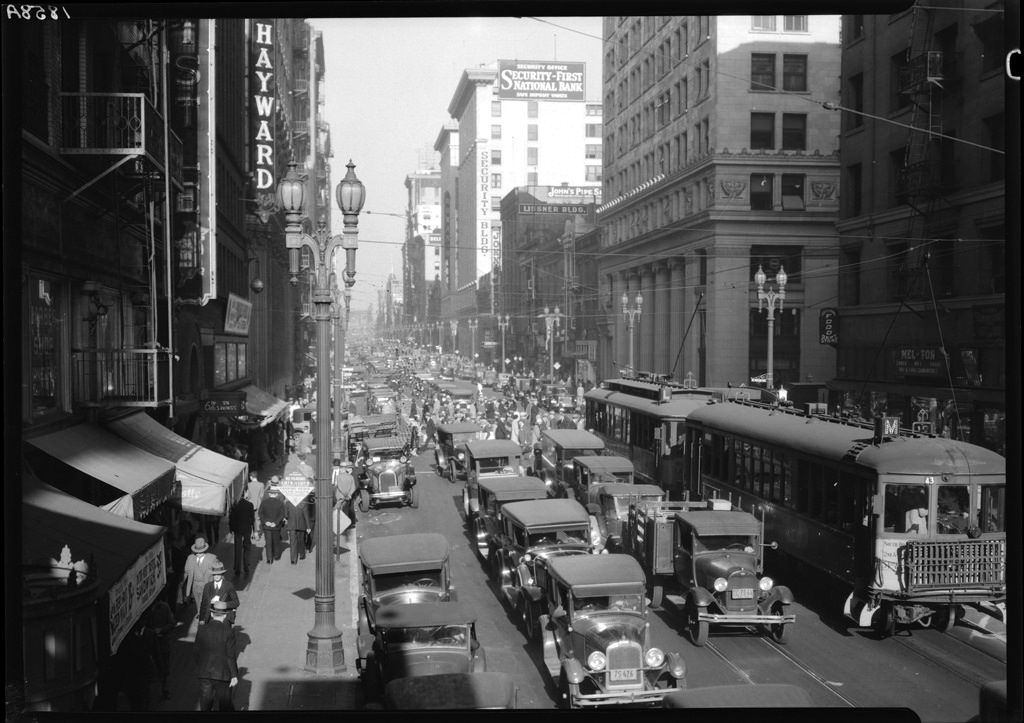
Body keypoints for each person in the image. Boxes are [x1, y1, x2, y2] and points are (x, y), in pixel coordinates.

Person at [194, 601, 239, 711]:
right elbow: (230, 655)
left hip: (205, 674)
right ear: (225, 615)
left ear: (212, 614)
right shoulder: (229, 632)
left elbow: (196, 652)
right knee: (225, 706)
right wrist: (234, 675)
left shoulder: (202, 629)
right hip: (223, 675)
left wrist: (201, 666)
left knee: (205, 706)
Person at [114, 620, 160, 710]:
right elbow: (122, 658)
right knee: (134, 702)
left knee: (144, 700)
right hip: (131, 676)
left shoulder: (150, 634)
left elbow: (156, 653)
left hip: (145, 674)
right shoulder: (127, 636)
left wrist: (159, 670)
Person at [180, 536, 220, 623]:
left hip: (206, 584)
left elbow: (218, 571)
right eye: (197, 551)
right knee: (198, 601)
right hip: (195, 584)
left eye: (200, 551)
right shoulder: (190, 558)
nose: (198, 553)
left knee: (204, 601)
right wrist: (182, 583)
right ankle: (200, 612)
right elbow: (186, 571)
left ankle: (204, 615)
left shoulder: (212, 558)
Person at [144, 596, 175, 700]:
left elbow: (171, 623)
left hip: (163, 642)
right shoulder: (147, 609)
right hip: (152, 643)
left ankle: (164, 690)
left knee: (165, 667)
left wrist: (161, 630)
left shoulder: (165, 607)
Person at [258, 477, 288, 564]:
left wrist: (265, 521)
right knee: (276, 541)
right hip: (276, 523)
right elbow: (282, 512)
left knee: (268, 542)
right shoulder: (281, 495)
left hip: (266, 524)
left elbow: (261, 512)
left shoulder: (265, 494)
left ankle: (269, 558)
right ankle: (276, 556)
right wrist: (277, 522)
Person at [228, 490, 255, 577]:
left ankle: (237, 568)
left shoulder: (235, 505)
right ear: (245, 494)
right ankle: (246, 567)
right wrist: (254, 530)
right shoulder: (250, 505)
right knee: (247, 548)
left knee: (238, 548)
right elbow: (252, 519)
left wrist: (231, 529)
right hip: (247, 529)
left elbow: (231, 518)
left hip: (237, 530)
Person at [285, 495, 312, 564]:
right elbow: (306, 516)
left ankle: (293, 560)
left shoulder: (288, 503)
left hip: (292, 525)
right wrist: (308, 527)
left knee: (293, 542)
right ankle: (302, 554)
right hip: (301, 525)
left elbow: (286, 515)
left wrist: (288, 517)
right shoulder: (304, 504)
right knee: (301, 540)